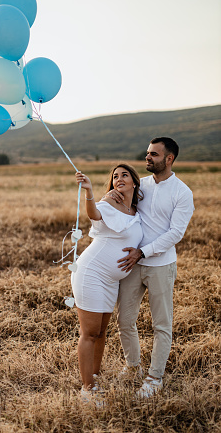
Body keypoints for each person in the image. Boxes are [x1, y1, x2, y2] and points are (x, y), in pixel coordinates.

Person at [107, 137, 194, 398]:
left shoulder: (182, 192)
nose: (147, 158)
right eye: (147, 153)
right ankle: (133, 367)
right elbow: (116, 209)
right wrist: (110, 196)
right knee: (124, 320)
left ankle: (154, 378)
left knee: (161, 325)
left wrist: (143, 252)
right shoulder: (139, 185)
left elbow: (176, 233)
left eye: (154, 154)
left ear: (169, 159)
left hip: (160, 265)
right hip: (131, 265)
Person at [72, 164, 143, 402]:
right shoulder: (108, 203)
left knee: (101, 332)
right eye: (115, 176)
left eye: (125, 175)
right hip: (92, 273)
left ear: (134, 181)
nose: (119, 178)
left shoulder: (136, 211)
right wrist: (89, 191)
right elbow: (93, 214)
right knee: (90, 332)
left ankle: (94, 376)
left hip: (111, 280)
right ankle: (87, 389)